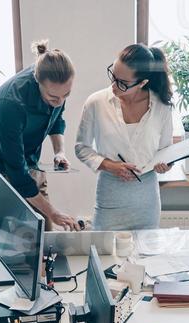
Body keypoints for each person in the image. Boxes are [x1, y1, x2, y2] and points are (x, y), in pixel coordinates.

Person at [0, 40, 79, 230]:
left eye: (66, 95)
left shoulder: (56, 87)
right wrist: (53, 212)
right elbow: (16, 170)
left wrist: (60, 152)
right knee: (10, 242)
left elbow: (56, 119)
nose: (60, 101)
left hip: (29, 165)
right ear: (37, 81)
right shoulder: (9, 101)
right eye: (53, 98)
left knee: (43, 234)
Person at [75, 44, 174, 230]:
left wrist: (165, 165)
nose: (113, 85)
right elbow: (81, 148)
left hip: (147, 200)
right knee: (105, 253)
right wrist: (110, 166)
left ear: (142, 83)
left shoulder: (162, 107)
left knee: (144, 256)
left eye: (122, 82)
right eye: (113, 75)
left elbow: (165, 150)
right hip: (110, 196)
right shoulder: (96, 103)